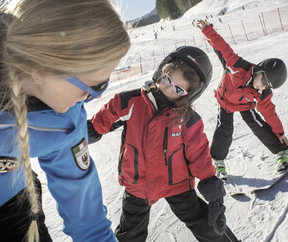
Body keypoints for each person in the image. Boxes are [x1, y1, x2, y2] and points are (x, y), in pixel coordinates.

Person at [0, 0, 130, 242]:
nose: (88, 98)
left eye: (103, 85)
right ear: (42, 68)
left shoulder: (66, 122)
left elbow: (89, 224)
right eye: (91, 86)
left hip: (10, 197)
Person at [88, 47, 240, 241]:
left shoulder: (187, 118)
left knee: (206, 224)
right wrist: (76, 133)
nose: (168, 88)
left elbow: (199, 156)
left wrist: (215, 197)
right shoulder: (130, 101)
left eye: (178, 89)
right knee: (130, 233)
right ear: (162, 71)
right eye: (167, 79)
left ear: (189, 94)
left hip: (176, 183)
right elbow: (99, 123)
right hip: (138, 183)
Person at [197, 19, 288, 179]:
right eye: (264, 81)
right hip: (225, 100)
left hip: (245, 105)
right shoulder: (238, 66)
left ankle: (282, 151)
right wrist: (207, 30)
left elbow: (269, 113)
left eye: (268, 86)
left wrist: (280, 132)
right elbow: (222, 47)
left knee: (257, 124)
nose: (264, 86)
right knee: (224, 128)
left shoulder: (262, 93)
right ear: (259, 70)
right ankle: (217, 161)